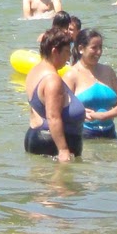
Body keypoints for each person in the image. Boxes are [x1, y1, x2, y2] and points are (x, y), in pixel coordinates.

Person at [24, 27, 84, 161]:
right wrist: (63, 150)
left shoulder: (35, 71)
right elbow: (53, 117)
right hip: (52, 144)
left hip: (37, 136)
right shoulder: (52, 80)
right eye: (67, 51)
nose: (69, 56)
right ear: (55, 51)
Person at [64, 29, 117, 139]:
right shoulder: (71, 75)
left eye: (100, 47)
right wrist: (79, 113)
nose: (99, 52)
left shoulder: (108, 71)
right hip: (83, 134)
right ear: (81, 49)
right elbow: (62, 107)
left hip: (110, 133)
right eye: (94, 48)